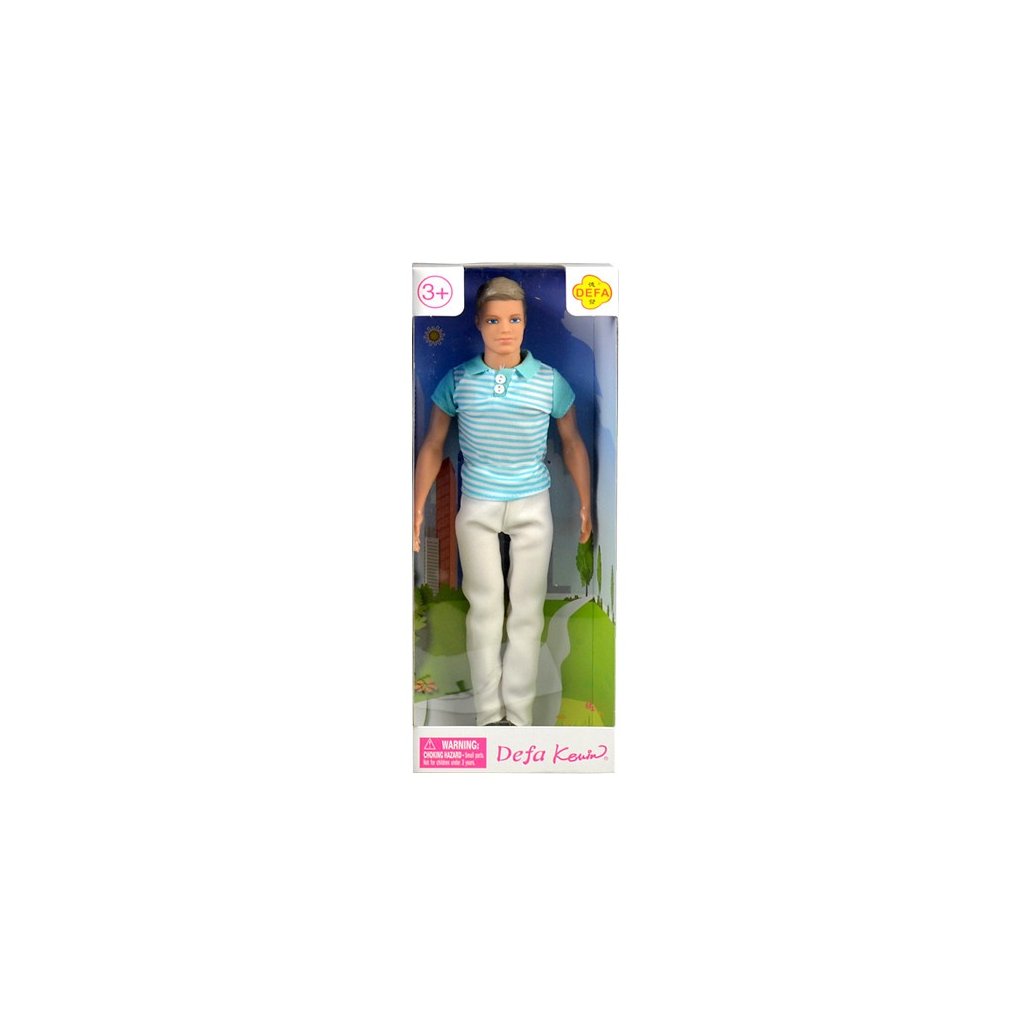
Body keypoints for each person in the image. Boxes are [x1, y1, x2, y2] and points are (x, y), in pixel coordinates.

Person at [414, 276, 592, 726]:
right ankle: (488, 716)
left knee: (527, 613)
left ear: (526, 323)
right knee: (485, 610)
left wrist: (586, 502)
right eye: (494, 320)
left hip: (533, 503)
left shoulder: (549, 382)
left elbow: (572, 442)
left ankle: (519, 718)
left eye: (514, 319)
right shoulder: (459, 381)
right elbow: (432, 444)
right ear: (478, 323)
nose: (505, 329)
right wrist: (415, 509)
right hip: (477, 505)